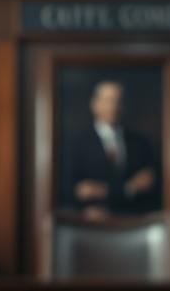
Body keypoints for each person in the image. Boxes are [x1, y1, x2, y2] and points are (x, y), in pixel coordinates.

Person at [63, 80, 161, 217]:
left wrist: (99, 191)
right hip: (89, 224)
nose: (113, 106)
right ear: (94, 104)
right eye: (108, 100)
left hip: (132, 222)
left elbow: (149, 186)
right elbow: (76, 191)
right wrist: (130, 188)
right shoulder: (77, 143)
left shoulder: (141, 143)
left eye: (118, 100)